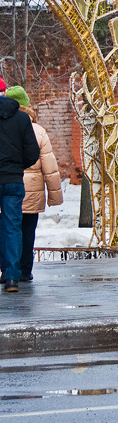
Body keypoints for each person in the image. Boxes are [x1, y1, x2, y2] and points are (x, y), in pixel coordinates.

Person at [6, 87, 61, 283]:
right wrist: (55, 196)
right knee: (28, 233)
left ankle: (8, 270)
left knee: (9, 230)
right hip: (33, 193)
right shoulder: (38, 131)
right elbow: (49, 166)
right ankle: (25, 271)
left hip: (8, 187)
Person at [0, 77, 40, 293]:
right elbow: (33, 152)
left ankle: (4, 270)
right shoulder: (22, 119)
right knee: (13, 227)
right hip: (14, 180)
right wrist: (17, 166)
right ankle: (12, 278)